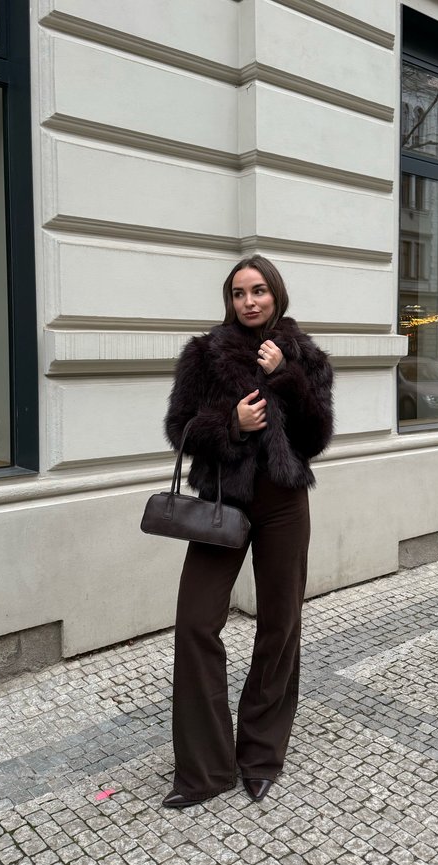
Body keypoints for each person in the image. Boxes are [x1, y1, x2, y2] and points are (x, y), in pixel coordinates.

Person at [162, 255, 333, 807]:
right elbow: (179, 429)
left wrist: (288, 375)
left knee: (279, 625)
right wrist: (229, 425)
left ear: (277, 295)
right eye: (239, 293)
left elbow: (317, 436)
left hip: (284, 503)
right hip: (221, 503)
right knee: (195, 622)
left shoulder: (306, 356)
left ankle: (260, 755)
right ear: (229, 300)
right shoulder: (204, 354)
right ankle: (206, 770)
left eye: (259, 291)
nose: (249, 301)